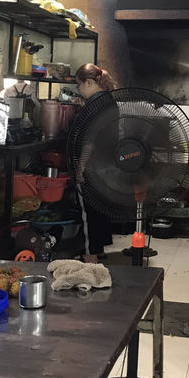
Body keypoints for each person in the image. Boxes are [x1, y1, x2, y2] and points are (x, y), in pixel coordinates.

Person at [73, 63, 118, 263]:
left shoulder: (93, 104)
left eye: (79, 85)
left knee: (88, 212)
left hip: (92, 166)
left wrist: (80, 167)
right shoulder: (110, 101)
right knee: (100, 207)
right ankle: (99, 248)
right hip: (108, 166)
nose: (78, 89)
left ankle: (90, 256)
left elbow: (89, 140)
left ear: (89, 82)